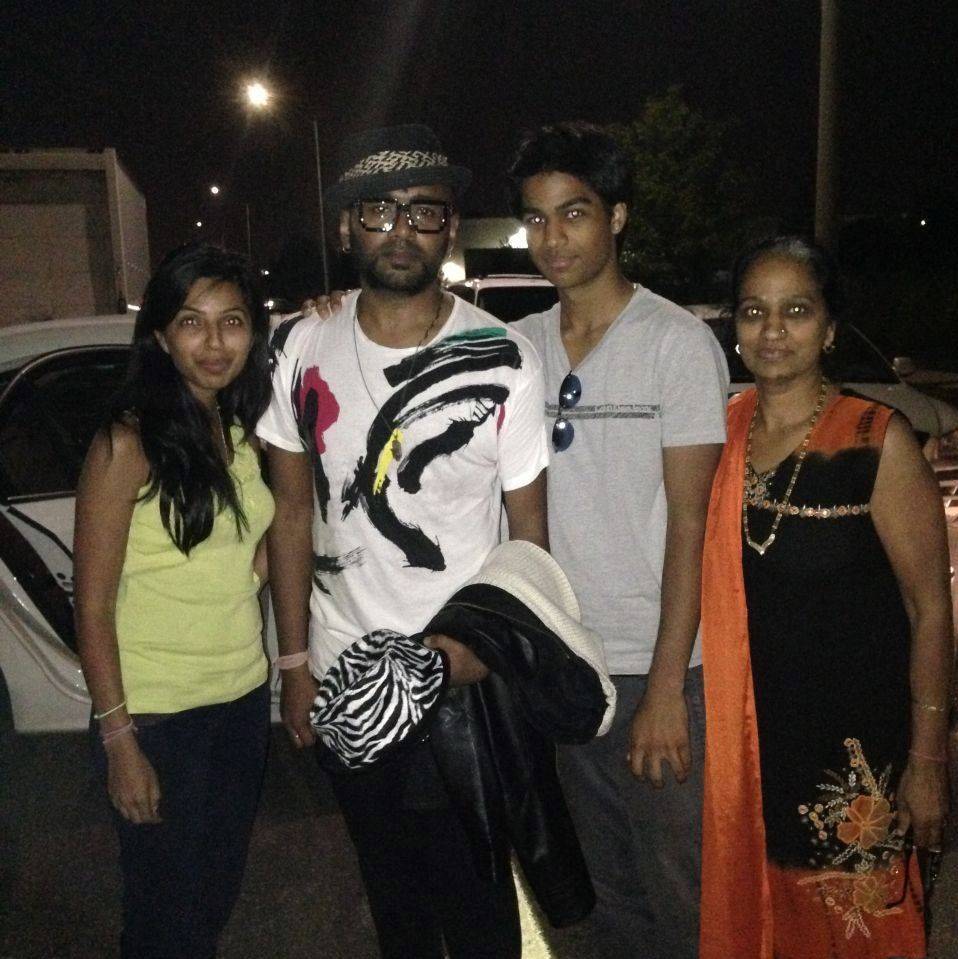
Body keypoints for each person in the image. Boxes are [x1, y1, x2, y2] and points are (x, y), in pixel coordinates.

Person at [257, 124, 550, 959]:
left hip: (461, 671)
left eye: (425, 212)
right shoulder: (298, 344)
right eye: (378, 211)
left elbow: (528, 534)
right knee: (392, 890)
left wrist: (481, 653)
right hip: (345, 668)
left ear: (450, 228)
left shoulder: (504, 356)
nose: (401, 230)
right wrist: (293, 664)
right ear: (348, 226)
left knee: (481, 896)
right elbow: (288, 513)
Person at [507, 121, 730, 959]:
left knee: (682, 890)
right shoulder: (516, 346)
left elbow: (690, 521)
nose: (553, 238)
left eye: (575, 213)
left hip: (657, 670)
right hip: (567, 668)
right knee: (599, 895)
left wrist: (670, 686)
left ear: (618, 217)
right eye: (536, 219)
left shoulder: (675, 343)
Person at [700, 236, 953, 959]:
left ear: (831, 328)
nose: (772, 330)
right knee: (766, 923)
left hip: (856, 756)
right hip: (752, 742)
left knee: (859, 931)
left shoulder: (877, 440)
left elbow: (929, 607)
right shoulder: (720, 432)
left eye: (796, 311)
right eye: (754, 311)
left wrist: (928, 760)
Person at [74, 242, 274, 958]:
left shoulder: (243, 434)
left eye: (233, 321)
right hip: (158, 716)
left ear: (255, 332)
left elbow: (253, 550)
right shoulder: (125, 442)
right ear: (160, 335)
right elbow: (91, 605)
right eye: (192, 322)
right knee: (164, 916)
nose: (215, 342)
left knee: (214, 896)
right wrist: (120, 738)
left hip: (243, 702)